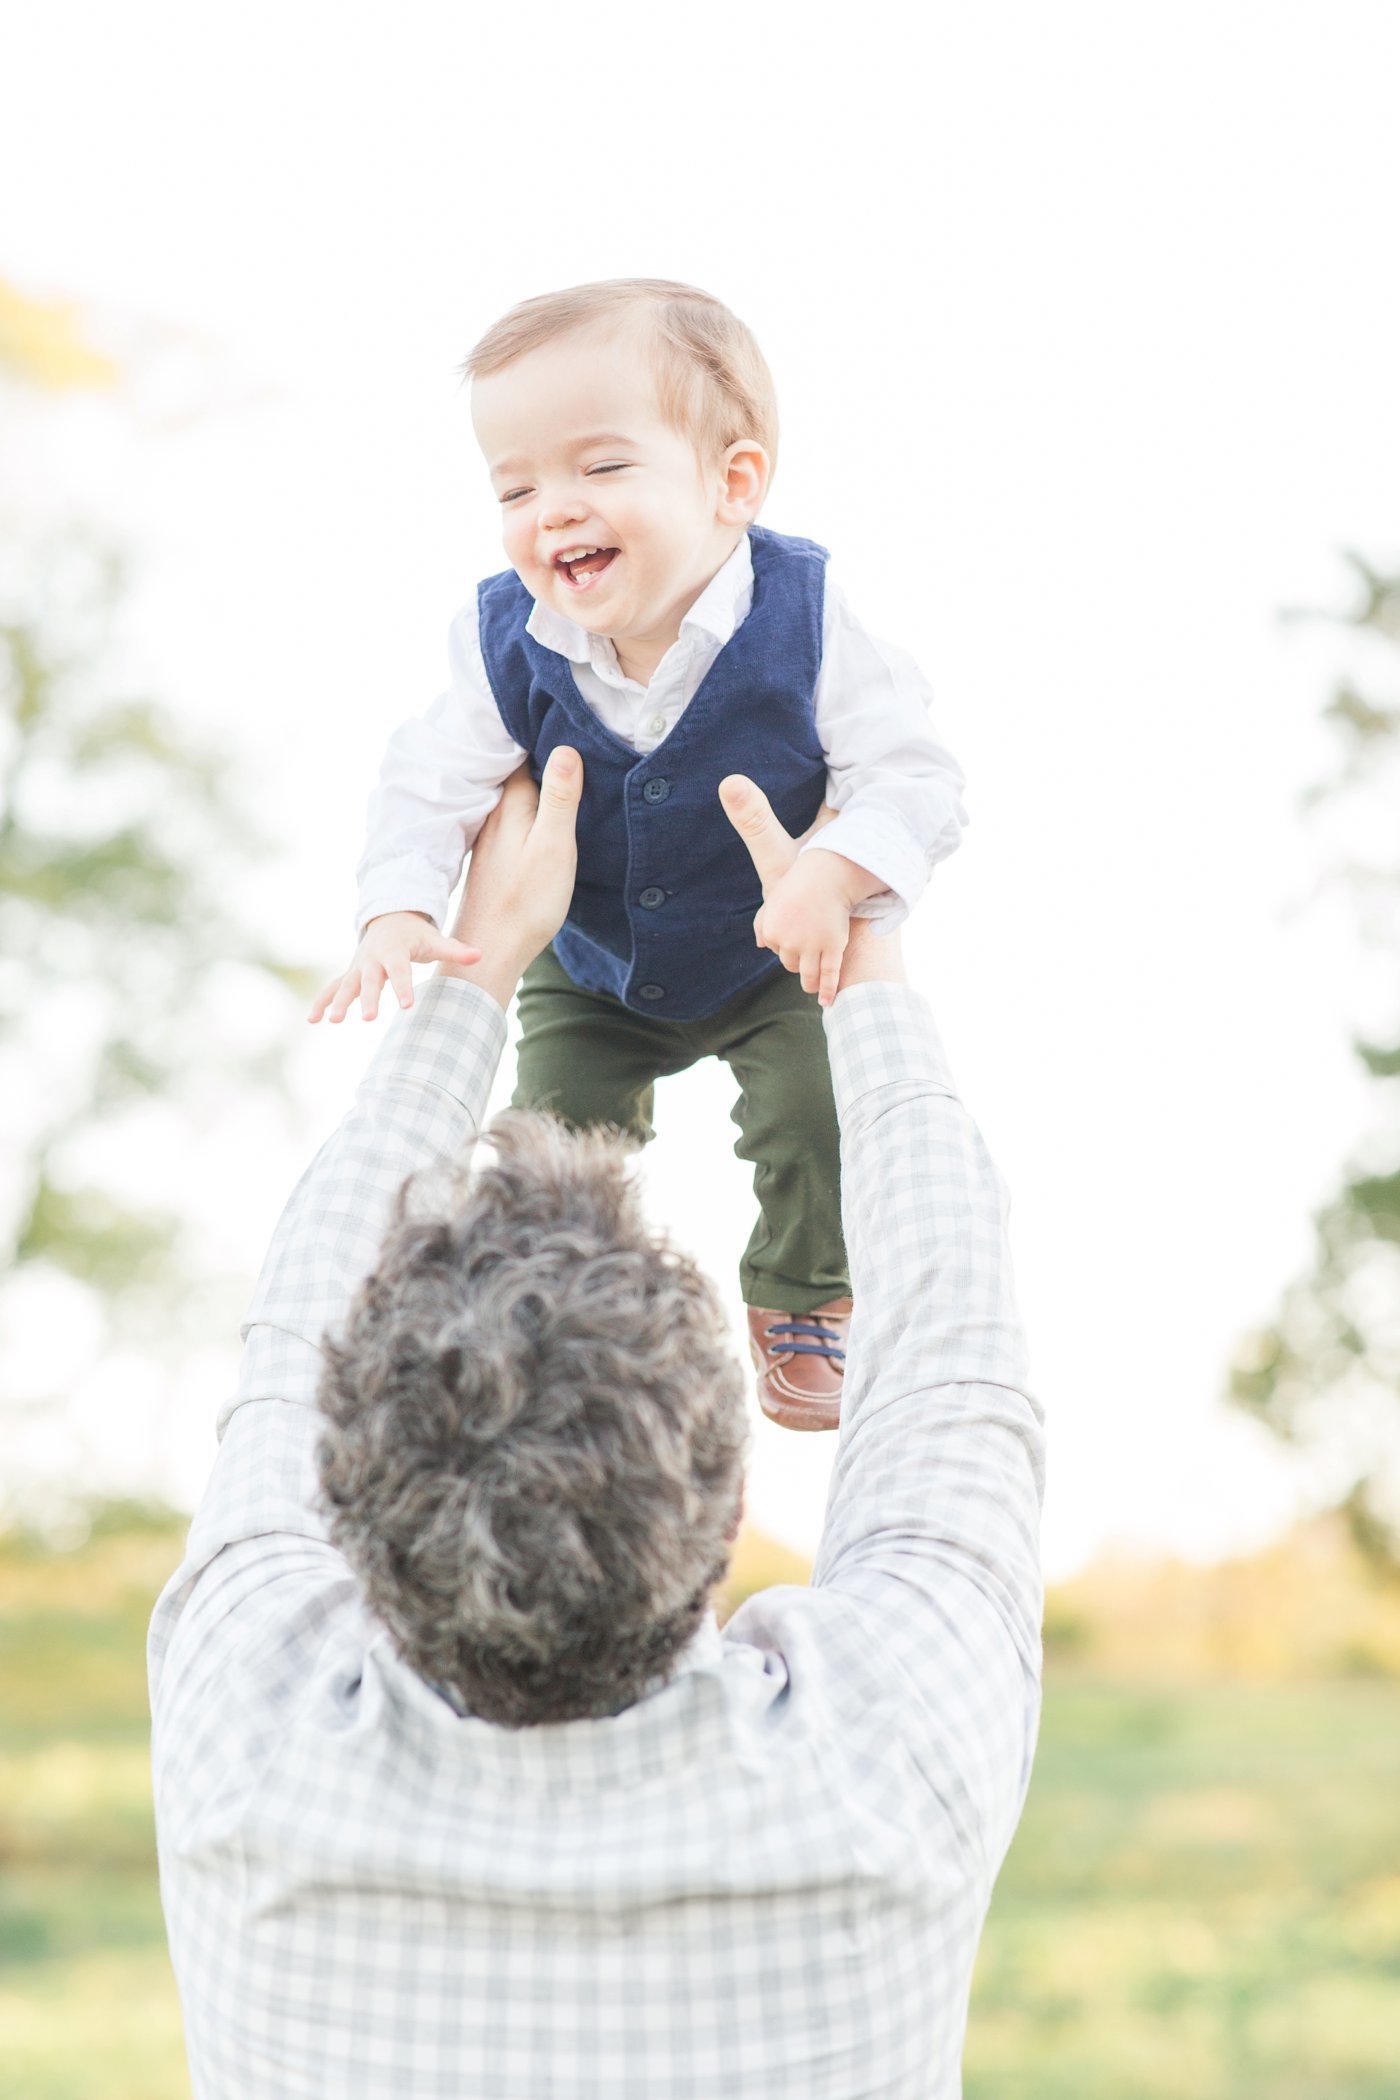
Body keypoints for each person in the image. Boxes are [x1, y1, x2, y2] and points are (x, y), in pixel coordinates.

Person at [149, 753, 1045, 2100]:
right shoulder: (888, 1773)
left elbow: (290, 1347)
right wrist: (855, 941)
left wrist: (476, 963)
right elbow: (951, 1375)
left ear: (351, 1504)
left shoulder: (243, 1745)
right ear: (729, 1514)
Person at [308, 277, 968, 1431]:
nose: (551, 508)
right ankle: (556, 1321)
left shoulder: (804, 616)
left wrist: (835, 869)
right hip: (592, 962)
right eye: (515, 485)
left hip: (771, 957)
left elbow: (914, 773)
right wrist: (395, 909)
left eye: (600, 468)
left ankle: (804, 1296)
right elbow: (429, 779)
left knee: (817, 1114)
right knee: (547, 1143)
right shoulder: (503, 638)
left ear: (731, 483)